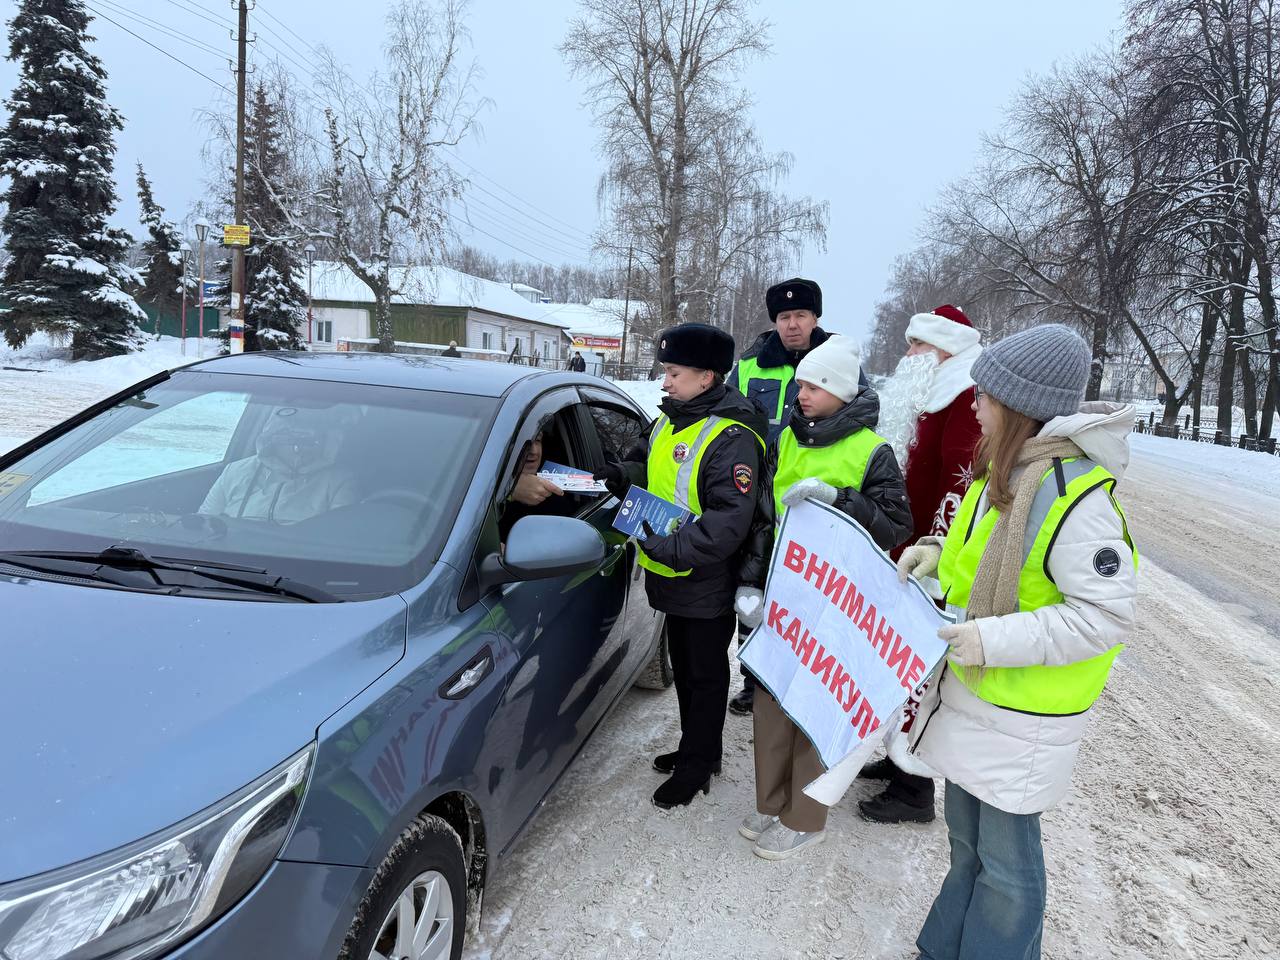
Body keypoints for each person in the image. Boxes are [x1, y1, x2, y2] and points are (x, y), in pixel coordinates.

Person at [898, 324, 1137, 960]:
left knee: (1008, 867)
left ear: (1020, 408)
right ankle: (946, 947)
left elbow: (1104, 618)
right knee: (968, 845)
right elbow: (980, 563)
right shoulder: (1002, 474)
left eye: (986, 395)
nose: (975, 404)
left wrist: (989, 639)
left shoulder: (1075, 497)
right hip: (978, 699)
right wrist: (932, 554)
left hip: (1023, 713)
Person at [733, 336, 913, 860]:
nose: (802, 393)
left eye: (814, 385)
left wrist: (840, 500)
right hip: (783, 597)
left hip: (836, 604)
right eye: (802, 383)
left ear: (840, 391)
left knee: (816, 707)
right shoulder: (784, 438)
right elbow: (763, 518)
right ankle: (770, 802)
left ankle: (805, 816)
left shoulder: (872, 450)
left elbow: (897, 525)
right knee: (771, 701)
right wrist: (751, 581)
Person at [594, 322, 767, 809]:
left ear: (706, 378)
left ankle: (697, 767)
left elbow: (730, 521)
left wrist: (668, 549)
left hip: (704, 574)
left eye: (673, 372)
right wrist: (619, 475)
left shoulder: (732, 438)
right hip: (670, 568)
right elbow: (646, 464)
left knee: (705, 675)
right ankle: (698, 748)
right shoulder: (669, 419)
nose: (664, 381)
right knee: (688, 671)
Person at [858, 304, 984, 825]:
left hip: (928, 558)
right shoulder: (930, 395)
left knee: (918, 669)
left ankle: (914, 788)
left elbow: (959, 481)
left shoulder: (962, 398)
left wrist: (936, 551)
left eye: (916, 346)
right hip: (904, 548)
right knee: (896, 660)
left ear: (943, 350)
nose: (908, 354)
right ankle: (895, 758)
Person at [726, 277, 833, 716]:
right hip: (757, 498)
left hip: (811, 500)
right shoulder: (751, 365)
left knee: (806, 591)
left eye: (800, 316)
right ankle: (755, 678)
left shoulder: (837, 361)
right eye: (784, 317)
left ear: (815, 318)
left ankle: (801, 677)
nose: (792, 325)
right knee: (753, 582)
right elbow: (728, 417)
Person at [200, 406, 359, 523]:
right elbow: (203, 524)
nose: (299, 448)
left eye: (309, 441)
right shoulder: (236, 471)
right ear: (272, 438)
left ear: (325, 442)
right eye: (290, 438)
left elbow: (337, 538)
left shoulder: (339, 482)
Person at [499, 431, 567, 542]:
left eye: (538, 441)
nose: (534, 451)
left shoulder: (553, 497)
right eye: (524, 442)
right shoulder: (474, 485)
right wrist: (508, 490)